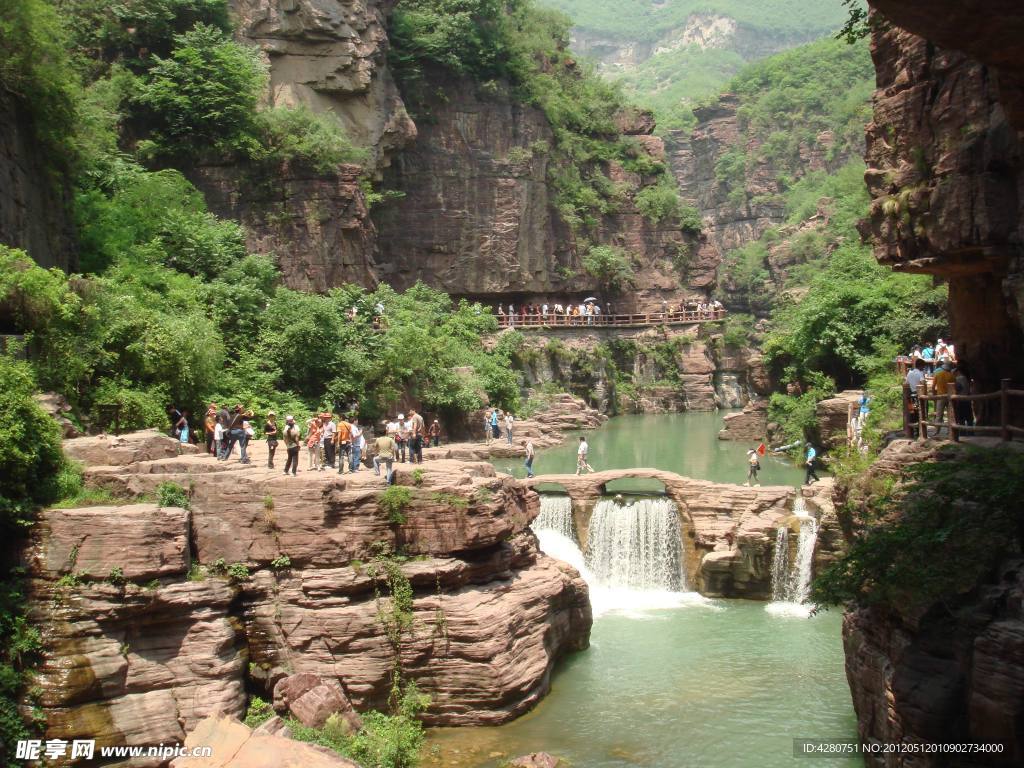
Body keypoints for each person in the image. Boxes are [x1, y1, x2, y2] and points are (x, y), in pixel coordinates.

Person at [932, 361, 956, 436]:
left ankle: (936, 431)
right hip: (949, 397)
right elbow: (954, 387)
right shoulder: (952, 376)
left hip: (940, 396)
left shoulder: (938, 374)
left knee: (939, 415)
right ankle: (949, 431)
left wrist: (934, 394)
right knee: (950, 414)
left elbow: (933, 386)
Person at [954, 363, 974, 429]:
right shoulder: (966, 378)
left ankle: (963, 431)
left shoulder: (959, 378)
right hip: (967, 398)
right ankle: (971, 431)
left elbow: (958, 388)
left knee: (961, 416)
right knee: (969, 416)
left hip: (961, 398)